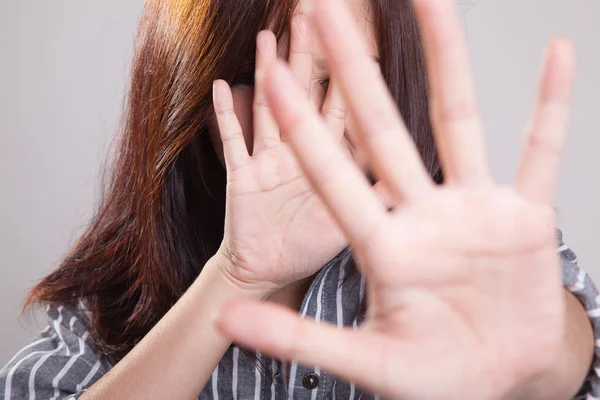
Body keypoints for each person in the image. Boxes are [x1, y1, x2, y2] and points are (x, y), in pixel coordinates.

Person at [0, 0, 597, 399]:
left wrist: (534, 355)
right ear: (186, 96)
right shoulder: (117, 291)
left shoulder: (468, 248)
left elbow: (566, 356)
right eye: (265, 85)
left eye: (339, 79)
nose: (303, 123)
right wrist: (235, 277)